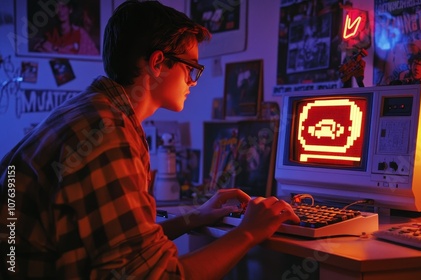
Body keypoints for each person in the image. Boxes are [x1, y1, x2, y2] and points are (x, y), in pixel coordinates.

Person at [0, 1, 300, 279]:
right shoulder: (109, 133)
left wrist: (193, 217)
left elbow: (122, 243)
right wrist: (248, 233)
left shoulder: (92, 111)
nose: (193, 82)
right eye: (191, 68)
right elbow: (155, 276)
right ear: (158, 63)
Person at [33, 0, 99, 55]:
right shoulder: (49, 35)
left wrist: (56, 51)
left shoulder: (80, 33)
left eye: (63, 6)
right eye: (57, 7)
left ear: (70, 9)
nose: (60, 11)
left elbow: (94, 56)